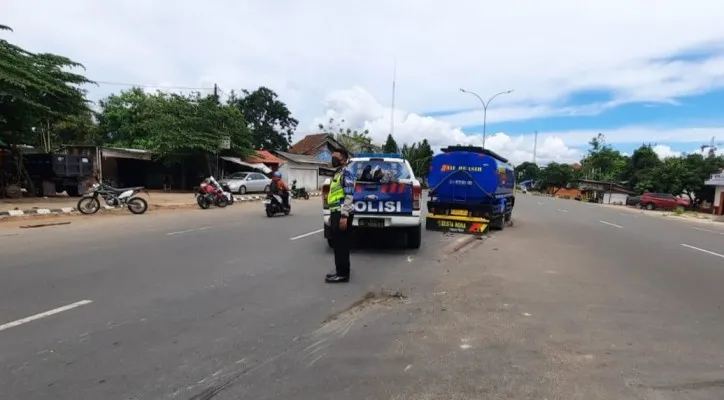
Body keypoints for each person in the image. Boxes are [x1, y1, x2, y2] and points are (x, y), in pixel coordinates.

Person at [325, 150, 355, 283]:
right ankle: (339, 271)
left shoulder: (347, 173)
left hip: (342, 213)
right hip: (336, 212)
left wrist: (344, 216)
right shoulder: (338, 173)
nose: (332, 159)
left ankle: (343, 274)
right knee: (337, 245)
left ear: (342, 159)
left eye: (334, 157)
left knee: (342, 245)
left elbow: (349, 196)